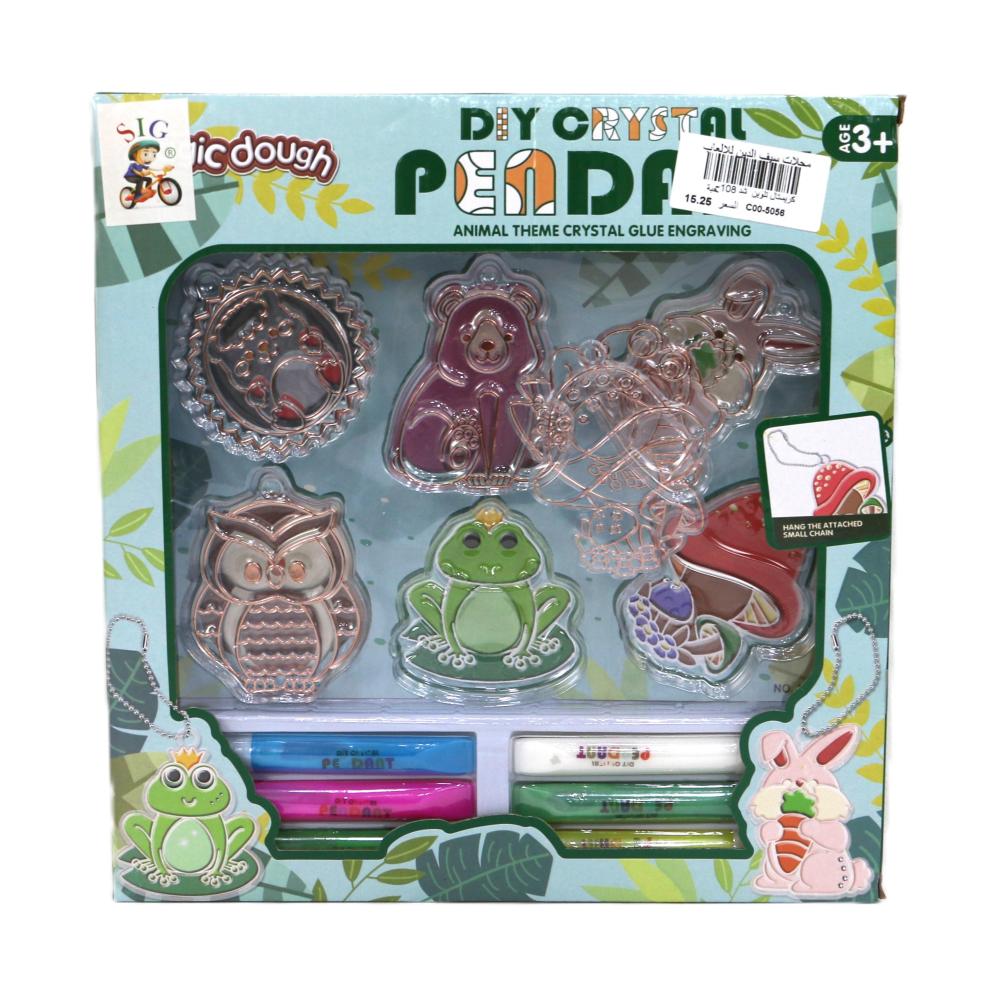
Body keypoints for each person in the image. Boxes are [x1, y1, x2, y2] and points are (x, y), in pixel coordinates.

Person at [124, 139, 160, 204]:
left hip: (138, 176)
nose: (149, 158)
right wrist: (140, 173)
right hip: (130, 177)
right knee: (140, 180)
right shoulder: (133, 164)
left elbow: (149, 168)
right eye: (145, 154)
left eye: (153, 155)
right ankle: (137, 195)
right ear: (135, 155)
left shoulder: (141, 165)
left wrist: (160, 169)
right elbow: (134, 170)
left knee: (149, 179)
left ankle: (148, 190)